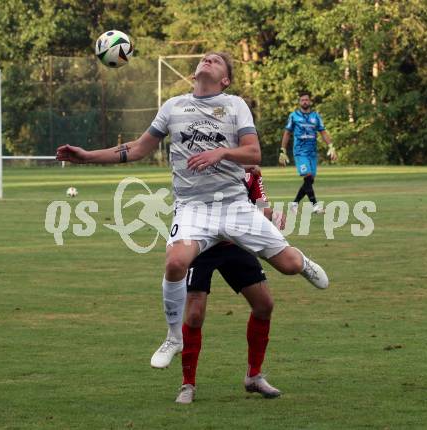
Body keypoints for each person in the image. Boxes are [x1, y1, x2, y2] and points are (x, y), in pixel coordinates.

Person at [57, 52, 329, 390]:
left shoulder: (234, 105)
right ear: (194, 73)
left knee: (288, 266)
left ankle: (303, 261)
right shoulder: (173, 106)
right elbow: (138, 148)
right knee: (174, 262)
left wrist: (222, 152)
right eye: (205, 58)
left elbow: (254, 154)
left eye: (215, 60)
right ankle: (173, 337)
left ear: (225, 79)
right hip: (192, 209)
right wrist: (87, 157)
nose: (207, 60)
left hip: (233, 206)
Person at [174, 166, 284, 404]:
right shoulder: (207, 159)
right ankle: (188, 384)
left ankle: (253, 376)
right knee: (194, 314)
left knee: (264, 304)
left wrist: (271, 215)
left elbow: (260, 204)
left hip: (234, 242)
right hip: (200, 242)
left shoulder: (252, 173)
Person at [279, 92, 337, 214]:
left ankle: (294, 203)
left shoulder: (315, 116)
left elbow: (323, 132)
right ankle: (315, 206)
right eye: (302, 100)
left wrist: (331, 146)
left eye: (307, 100)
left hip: (312, 152)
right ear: (299, 102)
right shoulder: (294, 116)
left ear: (310, 102)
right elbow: (287, 133)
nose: (305, 102)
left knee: (309, 180)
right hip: (300, 152)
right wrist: (282, 150)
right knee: (308, 176)